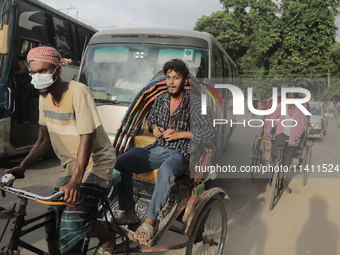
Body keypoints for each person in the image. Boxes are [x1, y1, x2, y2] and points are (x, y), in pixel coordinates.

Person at [6, 46, 116, 255]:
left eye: (43, 71)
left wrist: (76, 181)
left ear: (58, 71)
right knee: (51, 222)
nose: (37, 77)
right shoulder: (44, 97)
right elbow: (44, 139)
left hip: (97, 165)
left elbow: (87, 137)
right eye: (33, 72)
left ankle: (108, 236)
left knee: (71, 222)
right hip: (71, 167)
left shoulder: (78, 92)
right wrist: (22, 166)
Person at [114, 59, 215, 241]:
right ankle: (129, 211)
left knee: (166, 171)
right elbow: (150, 119)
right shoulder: (160, 99)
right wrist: (153, 128)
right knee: (120, 162)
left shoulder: (195, 103)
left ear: (184, 80)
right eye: (168, 77)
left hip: (179, 153)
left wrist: (180, 135)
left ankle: (150, 222)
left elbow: (209, 132)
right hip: (156, 148)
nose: (170, 81)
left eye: (175, 77)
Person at [265, 93, 306, 194]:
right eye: (289, 97)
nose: (290, 99)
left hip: (292, 136)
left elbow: (301, 125)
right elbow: (272, 118)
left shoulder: (300, 110)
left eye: (293, 97)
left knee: (287, 161)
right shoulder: (281, 107)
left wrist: (297, 136)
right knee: (275, 146)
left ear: (296, 99)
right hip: (281, 133)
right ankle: (274, 159)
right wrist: (268, 131)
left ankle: (283, 182)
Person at [12, 52, 32, 125]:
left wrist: (13, 72)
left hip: (24, 85)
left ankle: (24, 120)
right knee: (15, 102)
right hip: (16, 85)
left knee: (24, 102)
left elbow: (25, 70)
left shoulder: (18, 62)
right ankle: (16, 119)